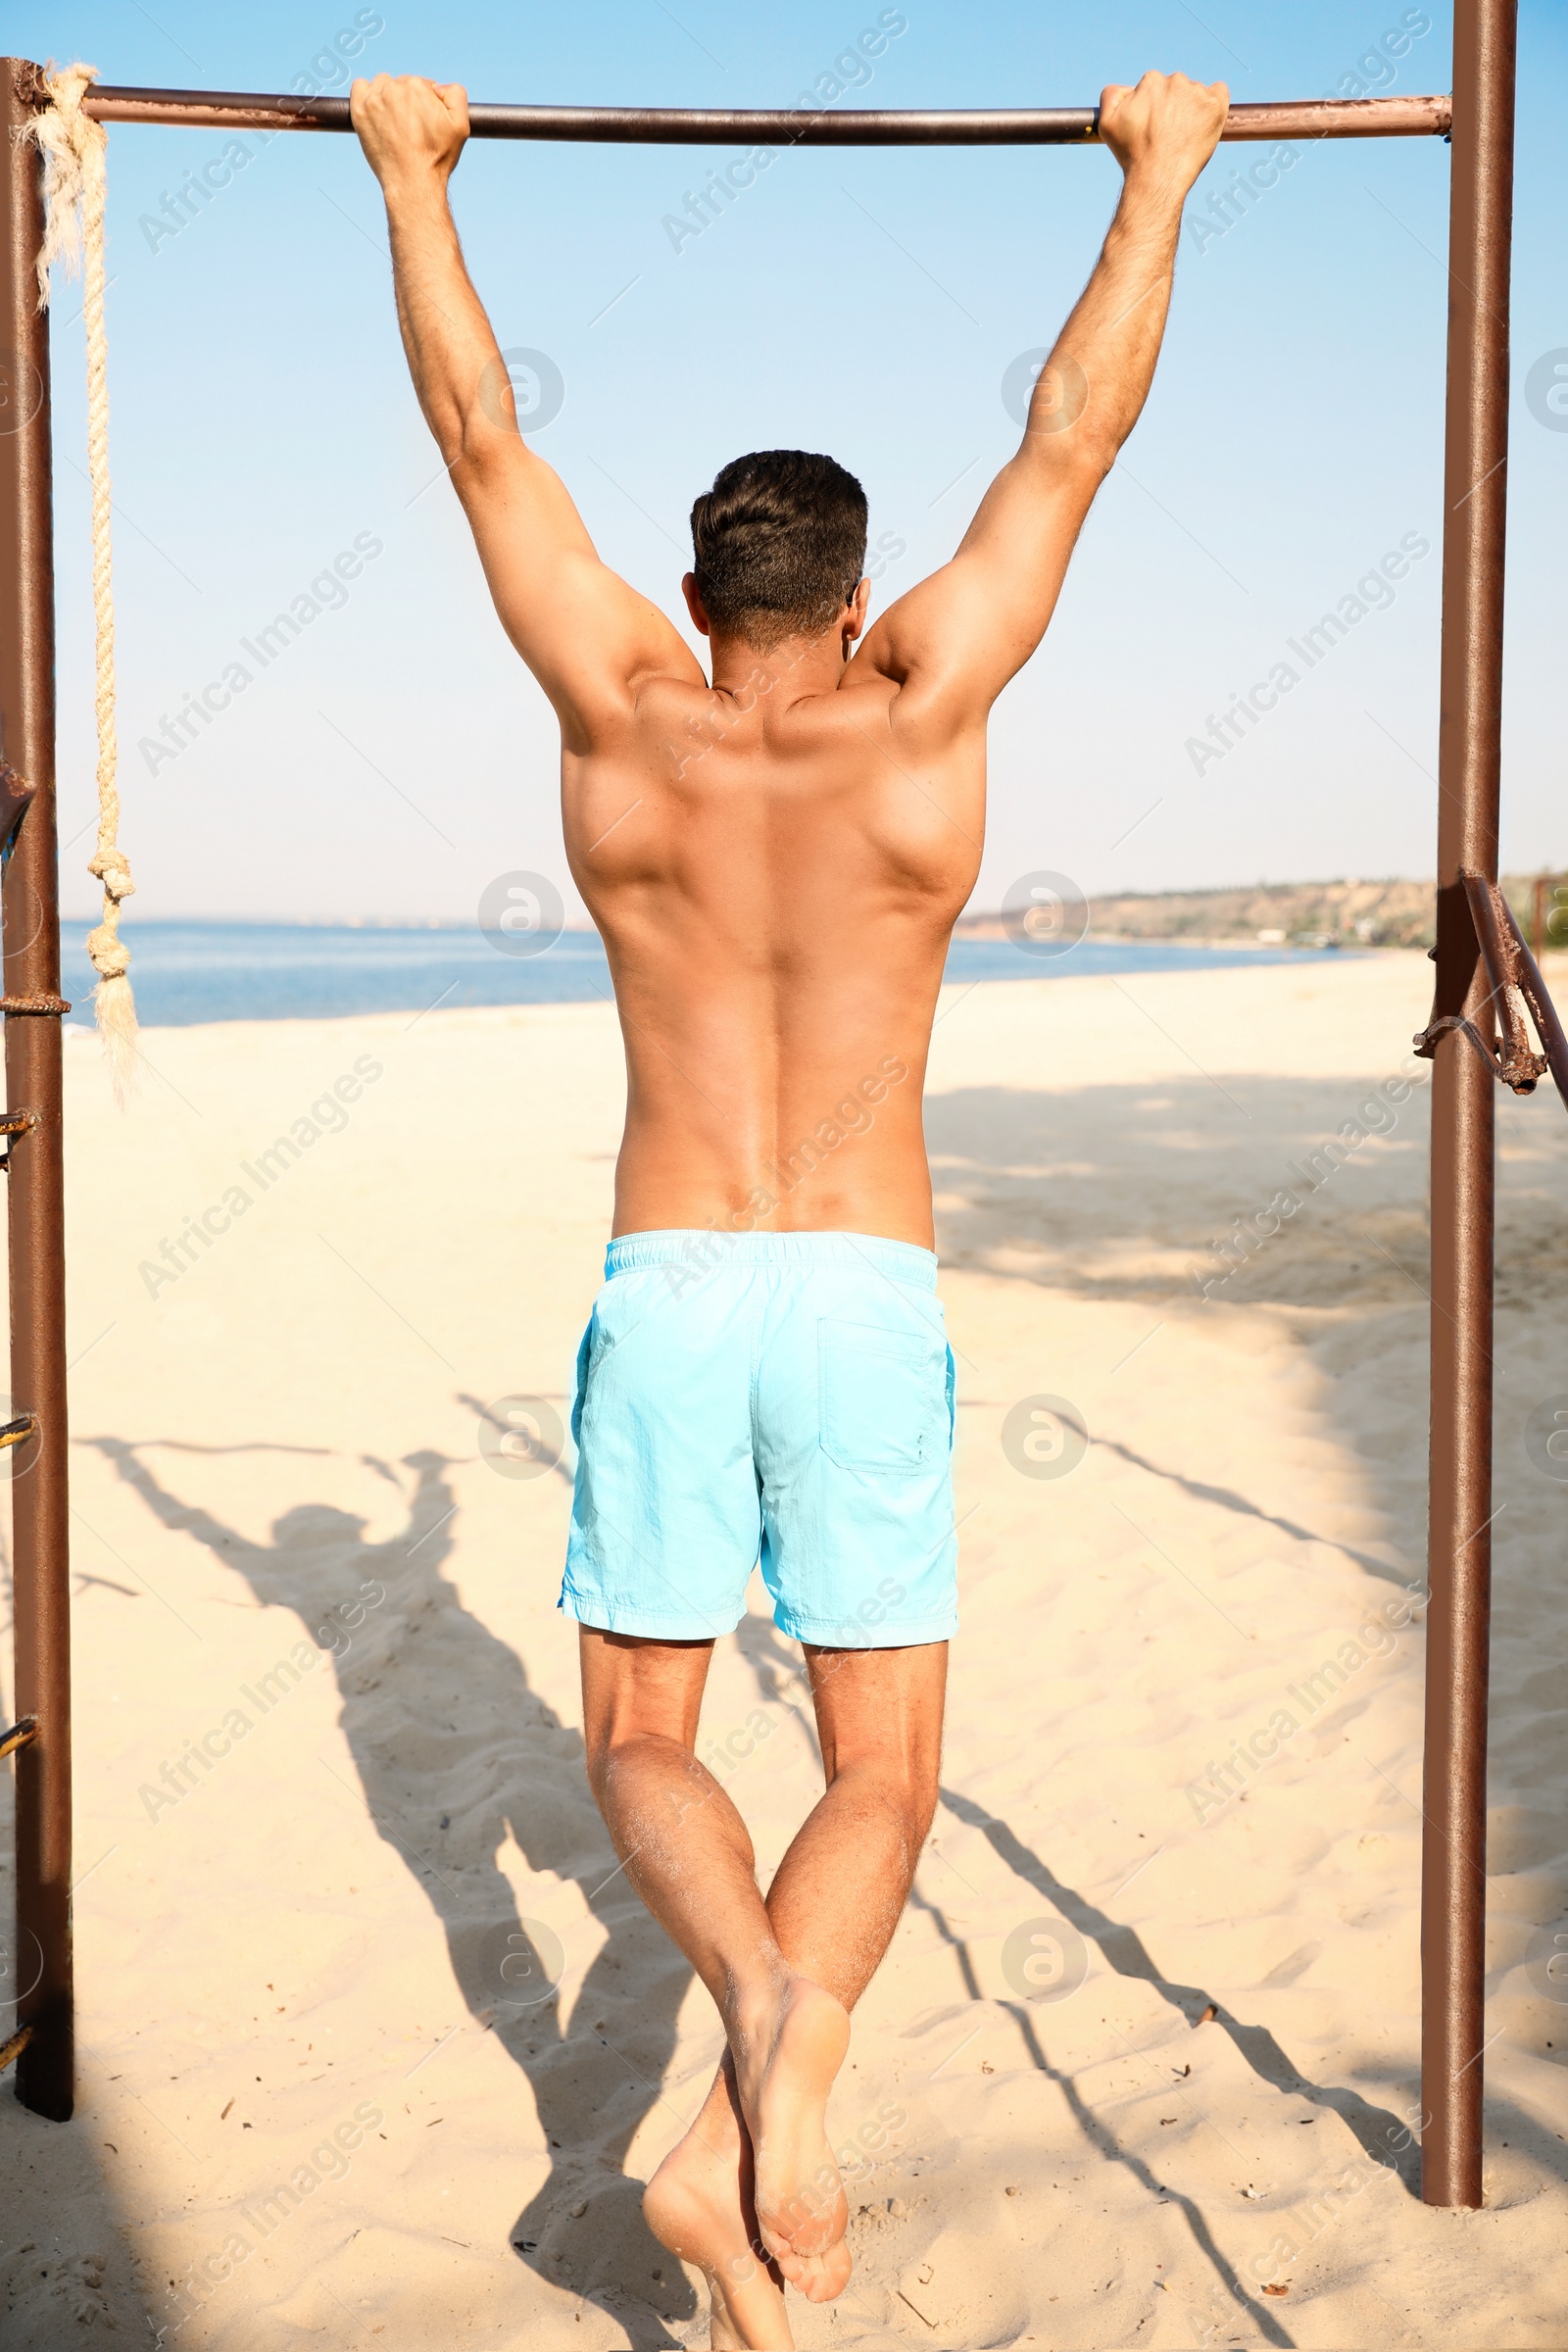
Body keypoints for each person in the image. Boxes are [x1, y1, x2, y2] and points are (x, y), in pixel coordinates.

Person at [353, 67, 1228, 2350]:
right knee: (882, 1763)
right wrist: (1154, 179)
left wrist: (409, 176)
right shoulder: (918, 720)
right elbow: (1069, 439)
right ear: (855, 605)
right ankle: (792, 2044)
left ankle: (741, 2001)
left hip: (667, 1278)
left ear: (687, 592)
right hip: (857, 1278)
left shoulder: (615, 715)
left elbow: (475, 445)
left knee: (642, 1739)